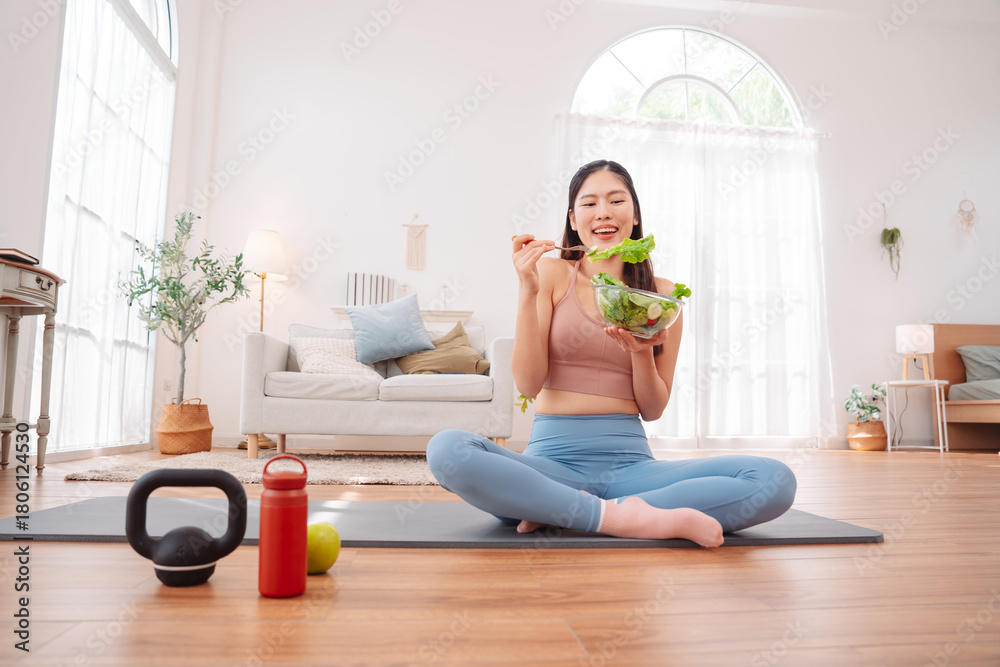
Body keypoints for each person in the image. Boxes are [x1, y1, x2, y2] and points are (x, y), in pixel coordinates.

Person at [426, 159, 795, 547]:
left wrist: (639, 351)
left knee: (774, 478)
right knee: (448, 448)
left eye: (616, 201)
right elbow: (528, 384)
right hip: (549, 467)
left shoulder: (663, 297)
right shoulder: (551, 274)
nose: (603, 212)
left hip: (632, 468)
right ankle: (622, 517)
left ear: (634, 216)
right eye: (589, 204)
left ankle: (566, 511)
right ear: (573, 218)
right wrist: (527, 289)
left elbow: (652, 409)